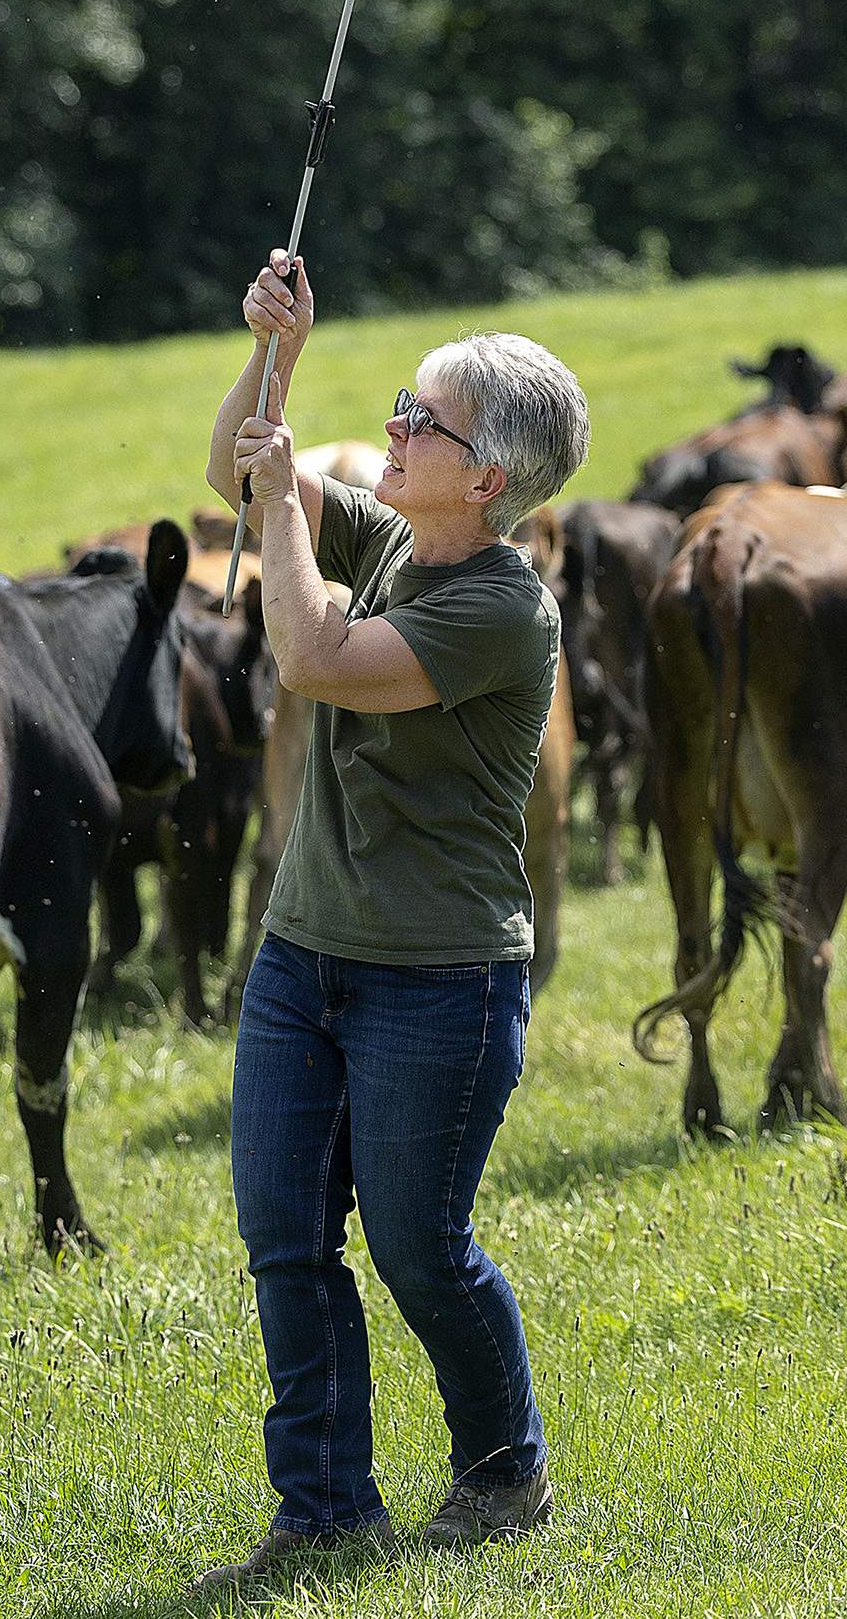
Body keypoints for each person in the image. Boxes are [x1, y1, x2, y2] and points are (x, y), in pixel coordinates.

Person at [191, 249, 590, 1593]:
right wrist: (275, 359)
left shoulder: (497, 607)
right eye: (402, 408)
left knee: (422, 1247)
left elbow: (310, 656)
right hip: (303, 959)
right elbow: (237, 481)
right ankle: (324, 1514)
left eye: (423, 420)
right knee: (286, 1237)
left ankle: (504, 1463)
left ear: (489, 477)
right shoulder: (404, 537)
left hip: (442, 984)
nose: (399, 429)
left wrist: (288, 489)